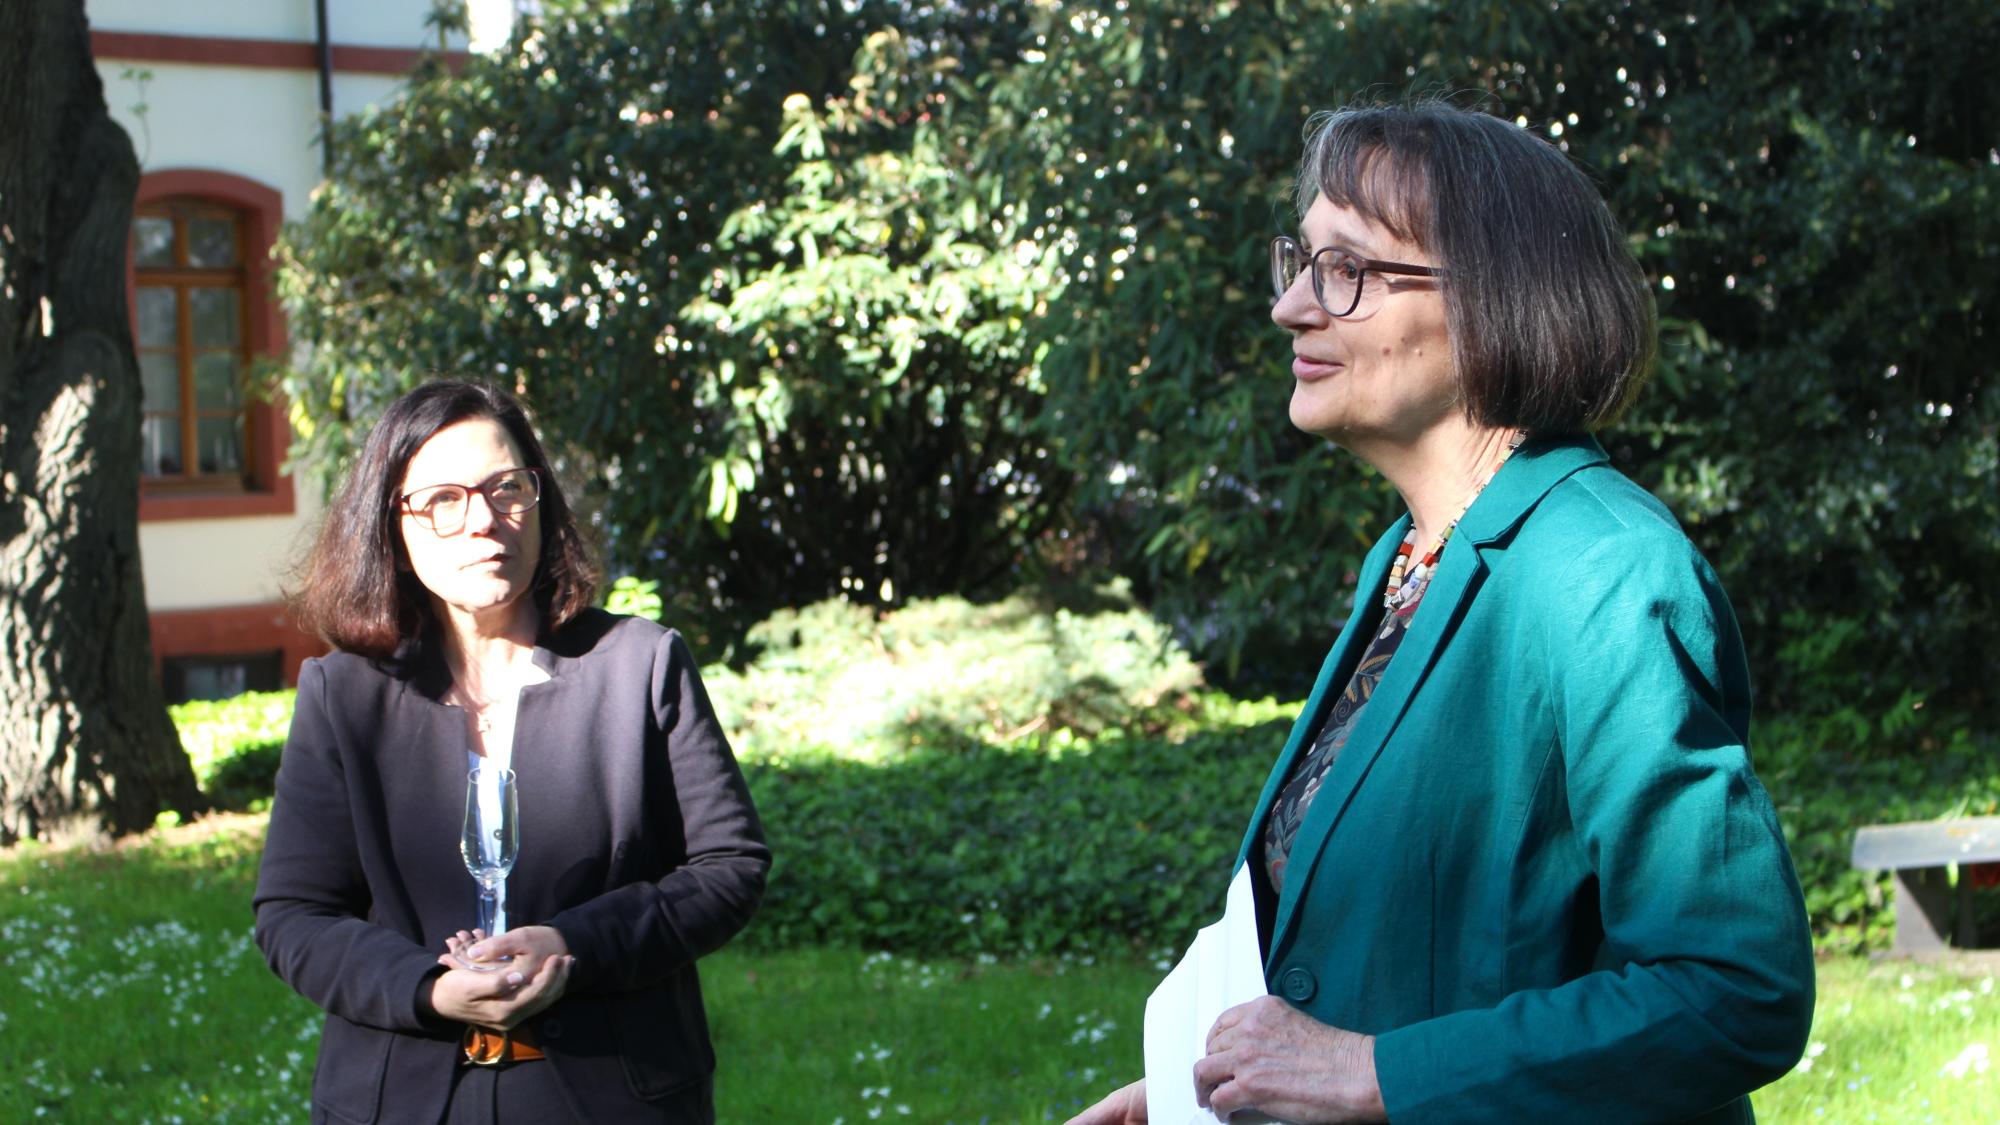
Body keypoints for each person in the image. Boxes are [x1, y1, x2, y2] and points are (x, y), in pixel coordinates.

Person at [1069, 101, 1814, 1124]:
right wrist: (1202, 1094)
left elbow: (1734, 989)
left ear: (1493, 299)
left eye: (1345, 269)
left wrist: (1374, 1074)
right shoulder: (1408, 561)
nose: (1291, 306)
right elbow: (1405, 948)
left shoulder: (1600, 569)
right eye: (1300, 261)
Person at [254, 379, 768, 1123]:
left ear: (541, 501)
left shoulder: (640, 665)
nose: (483, 520)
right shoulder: (344, 694)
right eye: (444, 499)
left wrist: (572, 943)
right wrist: (430, 988)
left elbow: (728, 867)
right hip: (402, 1099)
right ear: (392, 527)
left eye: (507, 489)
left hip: (610, 1095)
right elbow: (294, 914)